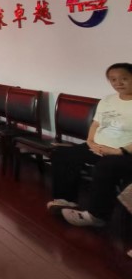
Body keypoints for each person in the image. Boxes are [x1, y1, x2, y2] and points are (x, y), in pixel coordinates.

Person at [47, 62, 132, 227]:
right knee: (62, 154)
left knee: (105, 167)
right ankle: (65, 200)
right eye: (113, 79)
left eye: (124, 78)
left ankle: (97, 216)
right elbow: (95, 124)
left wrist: (119, 151)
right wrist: (90, 142)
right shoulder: (107, 100)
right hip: (98, 147)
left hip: (125, 153)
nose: (118, 83)